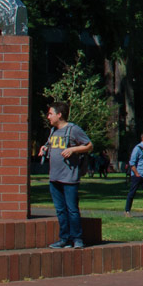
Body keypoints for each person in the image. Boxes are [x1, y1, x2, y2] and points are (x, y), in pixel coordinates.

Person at [41, 102, 92, 248]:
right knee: (60, 210)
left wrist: (73, 149)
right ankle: (64, 238)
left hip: (69, 178)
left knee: (72, 210)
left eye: (50, 113)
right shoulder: (53, 131)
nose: (48, 116)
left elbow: (89, 145)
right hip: (54, 177)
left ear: (59, 115)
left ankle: (77, 239)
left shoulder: (73, 129)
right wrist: (45, 148)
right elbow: (51, 146)